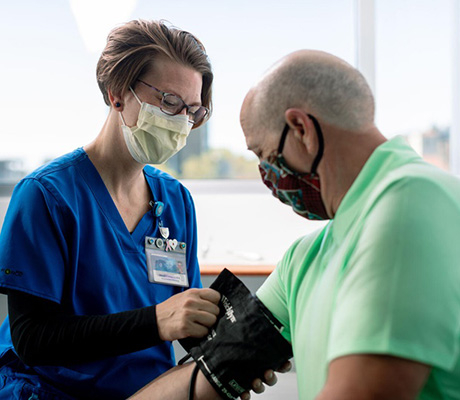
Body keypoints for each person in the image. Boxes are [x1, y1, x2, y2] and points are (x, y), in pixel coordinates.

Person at [0, 19, 222, 399]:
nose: (181, 123)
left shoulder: (175, 202)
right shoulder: (47, 196)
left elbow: (185, 324)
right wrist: (156, 322)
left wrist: (241, 351)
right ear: (118, 93)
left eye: (193, 111)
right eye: (169, 102)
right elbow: (33, 339)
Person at [239, 50, 460, 399]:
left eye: (265, 156)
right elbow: (218, 365)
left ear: (301, 129)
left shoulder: (414, 201)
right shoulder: (303, 257)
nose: (268, 176)